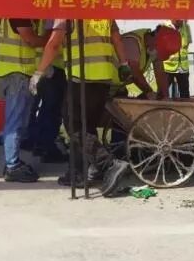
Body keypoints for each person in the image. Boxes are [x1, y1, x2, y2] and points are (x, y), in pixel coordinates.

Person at [30, 19, 131, 196]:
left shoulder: (68, 12)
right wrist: (124, 64)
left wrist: (38, 72)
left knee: (73, 126)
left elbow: (54, 44)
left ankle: (109, 164)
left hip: (81, 78)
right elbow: (117, 39)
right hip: (103, 78)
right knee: (88, 127)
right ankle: (77, 173)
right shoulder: (105, 13)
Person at [0, 18, 47, 183]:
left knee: (20, 121)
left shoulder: (17, 13)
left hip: (20, 73)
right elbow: (30, 40)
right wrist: (51, 37)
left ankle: (13, 161)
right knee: (15, 122)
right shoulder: (18, 14)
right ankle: (12, 165)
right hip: (17, 73)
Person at [26, 19, 67, 163]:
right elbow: (53, 41)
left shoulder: (45, 16)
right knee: (52, 110)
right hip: (53, 67)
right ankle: (47, 148)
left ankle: (41, 144)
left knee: (46, 109)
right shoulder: (55, 17)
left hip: (47, 66)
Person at [119, 26, 181, 100]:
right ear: (155, 38)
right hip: (108, 85)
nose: (158, 53)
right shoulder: (132, 41)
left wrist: (165, 96)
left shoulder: (152, 49)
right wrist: (149, 92)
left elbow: (160, 73)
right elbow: (134, 71)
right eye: (159, 49)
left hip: (118, 87)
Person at [163, 20, 192, 98]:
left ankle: (185, 106)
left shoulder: (186, 27)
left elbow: (187, 43)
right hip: (167, 67)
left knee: (185, 94)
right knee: (163, 93)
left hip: (183, 67)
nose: (182, 20)